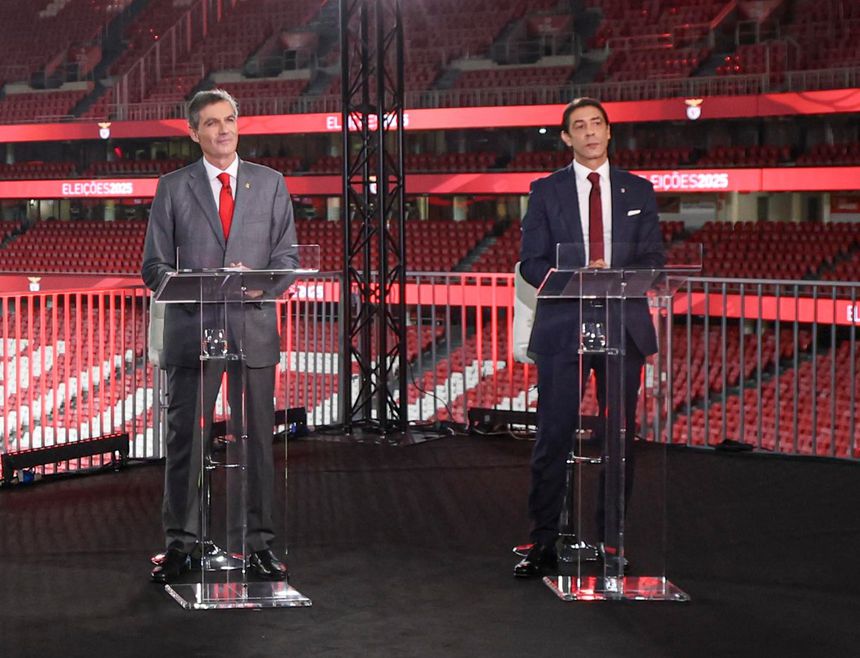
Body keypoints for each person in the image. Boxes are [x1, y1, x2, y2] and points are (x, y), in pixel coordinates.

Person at [142, 89, 298, 583]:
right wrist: (203, 287)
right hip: (195, 332)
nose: (223, 129)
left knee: (257, 445)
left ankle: (258, 546)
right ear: (194, 132)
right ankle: (181, 546)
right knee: (187, 441)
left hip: (252, 331)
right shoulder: (172, 187)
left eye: (229, 119)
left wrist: (256, 276)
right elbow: (154, 267)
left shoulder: (271, 184)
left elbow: (288, 263)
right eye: (211, 123)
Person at [515, 97, 665, 577]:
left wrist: (613, 273)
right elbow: (530, 262)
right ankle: (542, 540)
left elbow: (655, 261)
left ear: (609, 131)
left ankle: (611, 542)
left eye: (596, 123)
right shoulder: (545, 191)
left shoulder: (640, 190)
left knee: (619, 438)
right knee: (553, 436)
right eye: (578, 126)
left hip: (624, 326)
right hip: (563, 327)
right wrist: (578, 274)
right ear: (566, 137)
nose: (589, 132)